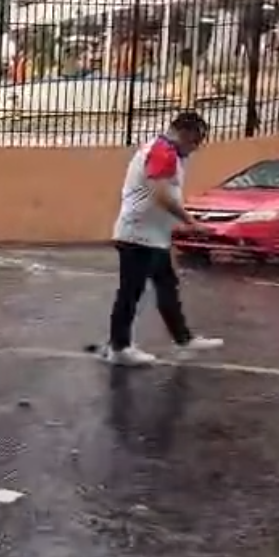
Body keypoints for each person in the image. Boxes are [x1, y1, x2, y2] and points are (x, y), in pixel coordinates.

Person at [105, 111, 223, 366]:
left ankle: (183, 338)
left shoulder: (167, 152)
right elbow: (160, 194)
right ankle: (119, 347)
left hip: (152, 236)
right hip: (137, 235)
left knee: (166, 285)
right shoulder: (163, 151)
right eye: (196, 141)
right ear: (186, 133)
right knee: (130, 291)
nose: (196, 148)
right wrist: (191, 222)